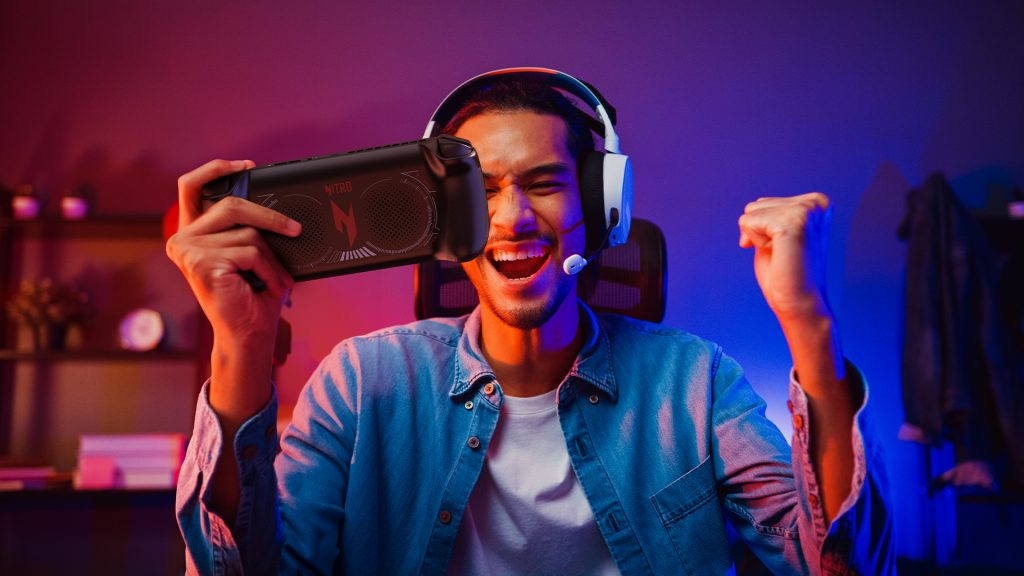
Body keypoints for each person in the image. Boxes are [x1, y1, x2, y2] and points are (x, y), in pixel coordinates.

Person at [169, 69, 893, 575]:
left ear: (603, 205)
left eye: (543, 182)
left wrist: (811, 329)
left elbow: (838, 567)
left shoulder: (695, 382)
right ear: (446, 222)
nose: (513, 218)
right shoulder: (360, 384)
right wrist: (243, 341)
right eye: (481, 191)